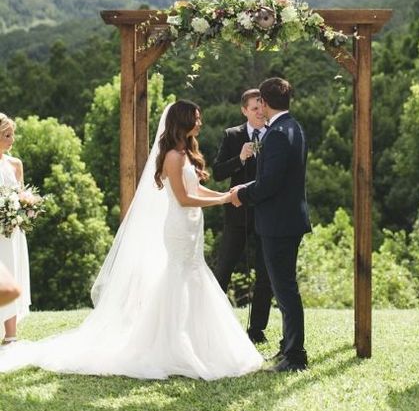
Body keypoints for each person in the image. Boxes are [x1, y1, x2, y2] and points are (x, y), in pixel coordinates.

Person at [0, 100, 263, 379]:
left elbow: (196, 188)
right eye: (196, 118)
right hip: (179, 227)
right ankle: (170, 344)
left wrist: (225, 194)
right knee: (180, 278)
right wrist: (225, 199)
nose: (200, 123)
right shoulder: (173, 156)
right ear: (183, 121)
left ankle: (195, 342)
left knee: (193, 278)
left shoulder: (185, 152)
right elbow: (184, 198)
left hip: (192, 226)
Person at [231, 77, 311, 372]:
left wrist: (241, 193)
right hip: (287, 220)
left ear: (264, 103)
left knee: (285, 289)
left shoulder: (277, 133)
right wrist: (248, 188)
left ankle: (294, 355)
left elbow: (271, 184)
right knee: (285, 288)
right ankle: (289, 347)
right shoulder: (293, 127)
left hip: (279, 223)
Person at [213, 89, 272, 344]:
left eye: (263, 107)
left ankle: (257, 330)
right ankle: (211, 323)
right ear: (244, 111)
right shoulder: (232, 135)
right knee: (224, 268)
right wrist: (239, 158)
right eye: (255, 108)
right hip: (237, 214)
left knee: (265, 274)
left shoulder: (275, 134)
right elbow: (217, 173)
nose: (260, 112)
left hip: (267, 214)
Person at [0, 113, 31, 344]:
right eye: (7, 135)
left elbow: (21, 195)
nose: (12, 140)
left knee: (10, 273)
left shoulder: (15, 164)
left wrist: (28, 205)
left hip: (11, 231)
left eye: (12, 134)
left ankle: (11, 336)